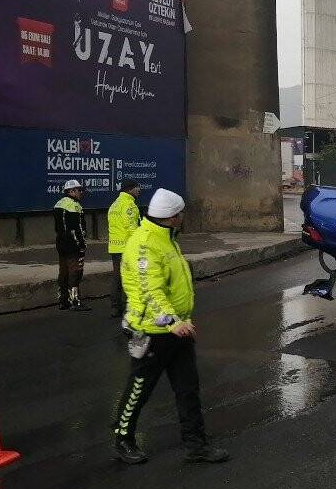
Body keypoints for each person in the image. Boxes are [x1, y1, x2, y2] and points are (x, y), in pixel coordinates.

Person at [112, 188, 228, 464]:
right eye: (182, 214)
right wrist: (172, 321)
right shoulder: (144, 244)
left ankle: (196, 444)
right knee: (140, 388)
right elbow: (149, 291)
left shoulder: (166, 238)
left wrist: (180, 321)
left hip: (178, 330)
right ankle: (123, 438)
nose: (183, 217)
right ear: (174, 216)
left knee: (188, 388)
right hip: (153, 332)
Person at [106, 180, 143, 318]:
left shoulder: (114, 204)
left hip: (115, 247)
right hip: (127, 247)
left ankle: (115, 307)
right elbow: (131, 228)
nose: (139, 190)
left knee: (117, 278)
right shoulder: (129, 205)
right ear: (129, 190)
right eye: (137, 188)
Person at [54, 179, 91, 311]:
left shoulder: (58, 204)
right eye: (79, 190)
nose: (81, 193)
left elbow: (59, 228)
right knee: (75, 272)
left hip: (61, 244)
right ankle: (75, 301)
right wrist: (82, 244)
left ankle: (62, 300)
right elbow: (78, 228)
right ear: (71, 191)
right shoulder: (75, 206)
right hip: (73, 245)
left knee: (63, 272)